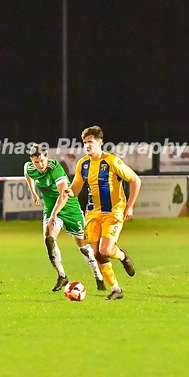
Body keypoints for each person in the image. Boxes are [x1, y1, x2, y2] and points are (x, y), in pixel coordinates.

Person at [64, 126, 141, 301]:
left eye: (90, 142)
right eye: (85, 142)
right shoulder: (83, 164)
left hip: (113, 212)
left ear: (99, 143)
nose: (87, 145)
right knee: (96, 253)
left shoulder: (112, 162)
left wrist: (130, 206)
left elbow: (136, 180)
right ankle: (116, 289)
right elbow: (76, 187)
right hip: (92, 213)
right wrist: (69, 191)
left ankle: (122, 256)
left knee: (105, 250)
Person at [23, 143, 105, 292]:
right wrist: (33, 193)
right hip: (51, 209)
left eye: (42, 161)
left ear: (47, 157)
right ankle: (62, 276)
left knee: (83, 247)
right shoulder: (29, 167)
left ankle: (98, 276)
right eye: (36, 162)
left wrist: (54, 215)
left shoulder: (55, 169)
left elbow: (64, 195)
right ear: (31, 161)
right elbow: (27, 175)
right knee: (49, 239)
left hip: (70, 209)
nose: (40, 165)